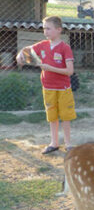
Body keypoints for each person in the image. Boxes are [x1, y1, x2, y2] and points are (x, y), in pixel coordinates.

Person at [16, 16, 76, 154]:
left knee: (65, 117)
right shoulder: (42, 45)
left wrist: (49, 68)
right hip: (48, 88)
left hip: (63, 89)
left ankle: (68, 144)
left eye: (48, 28)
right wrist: (20, 55)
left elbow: (69, 71)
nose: (45, 31)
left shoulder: (65, 48)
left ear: (59, 29)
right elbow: (26, 51)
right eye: (44, 28)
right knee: (52, 116)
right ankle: (54, 143)